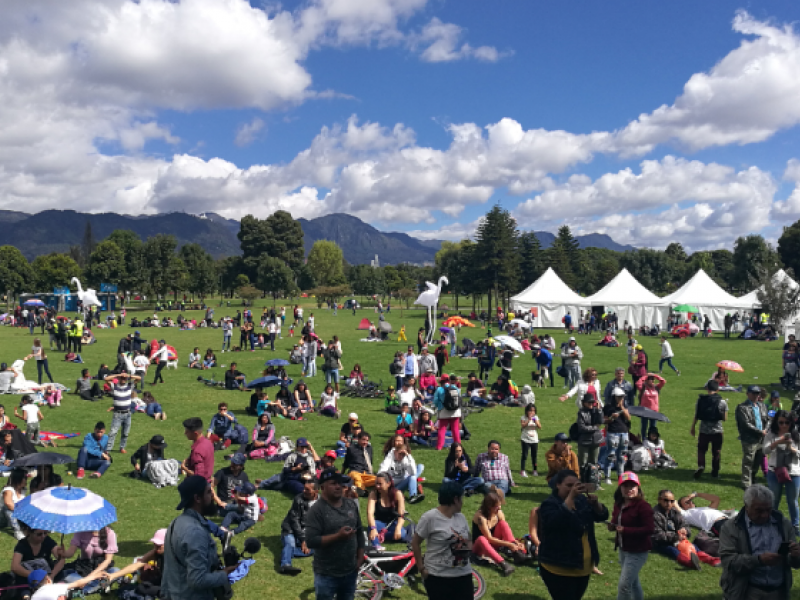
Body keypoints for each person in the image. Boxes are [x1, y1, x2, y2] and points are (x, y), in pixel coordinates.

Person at [719, 484, 800, 600]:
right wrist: (758, 560)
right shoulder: (731, 527)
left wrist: (795, 556)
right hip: (747, 592)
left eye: (768, 510)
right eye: (759, 511)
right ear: (747, 507)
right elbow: (729, 562)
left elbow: (795, 563)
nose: (765, 515)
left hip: (778, 592)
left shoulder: (783, 524)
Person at [161, 476, 236, 600]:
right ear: (197, 498)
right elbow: (197, 580)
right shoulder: (195, 532)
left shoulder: (176, 522)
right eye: (208, 492)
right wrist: (224, 574)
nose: (213, 496)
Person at [538, 469, 609, 600]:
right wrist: (570, 497)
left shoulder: (581, 500)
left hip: (583, 567)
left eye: (575, 486)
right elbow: (556, 521)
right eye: (569, 486)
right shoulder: (549, 504)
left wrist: (596, 505)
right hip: (558, 567)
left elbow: (602, 516)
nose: (573, 490)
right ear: (558, 485)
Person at [305, 468, 366, 600]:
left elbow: (360, 532)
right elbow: (311, 541)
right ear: (322, 487)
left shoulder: (351, 504)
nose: (338, 486)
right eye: (333, 483)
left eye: (340, 483)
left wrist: (360, 557)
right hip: (326, 574)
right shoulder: (316, 511)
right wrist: (338, 536)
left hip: (350, 571)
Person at [412, 480, 473, 600]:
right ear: (455, 499)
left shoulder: (461, 517)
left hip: (463, 575)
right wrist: (421, 568)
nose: (462, 502)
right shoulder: (430, 518)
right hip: (438, 577)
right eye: (461, 498)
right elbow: (415, 543)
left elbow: (469, 540)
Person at [608, 472, 654, 600]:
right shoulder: (619, 504)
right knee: (633, 582)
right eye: (625, 486)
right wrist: (612, 526)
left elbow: (649, 529)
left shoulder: (643, 507)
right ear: (620, 488)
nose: (629, 489)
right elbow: (615, 519)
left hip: (638, 551)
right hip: (624, 549)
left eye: (632, 486)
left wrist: (625, 530)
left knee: (624, 585)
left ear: (638, 488)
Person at [652, 488, 720, 569]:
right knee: (672, 550)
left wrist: (684, 530)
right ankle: (689, 563)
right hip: (660, 543)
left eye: (672, 501)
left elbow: (684, 524)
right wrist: (676, 537)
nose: (669, 503)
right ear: (659, 500)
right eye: (666, 500)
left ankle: (711, 560)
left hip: (676, 538)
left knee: (693, 546)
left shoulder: (674, 511)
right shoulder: (654, 514)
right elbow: (657, 535)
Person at [763, 410, 800, 534]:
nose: (784, 425)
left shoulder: (797, 435)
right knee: (774, 499)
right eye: (781, 422)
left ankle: (795, 526)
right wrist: (778, 442)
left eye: (787, 423)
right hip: (775, 471)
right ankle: (772, 523)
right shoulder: (771, 434)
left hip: (793, 472)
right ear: (776, 422)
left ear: (791, 423)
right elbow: (765, 451)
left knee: (793, 500)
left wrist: (791, 448)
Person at [471, 489, 523, 576]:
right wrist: (508, 544)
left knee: (503, 524)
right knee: (482, 538)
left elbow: (505, 530)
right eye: (496, 506)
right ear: (489, 507)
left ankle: (517, 553)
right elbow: (489, 539)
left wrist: (514, 542)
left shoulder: (499, 513)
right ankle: (503, 564)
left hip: (494, 544)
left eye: (499, 505)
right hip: (480, 547)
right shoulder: (480, 517)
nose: (499, 508)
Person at [57, 526, 120, 593]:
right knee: (69, 575)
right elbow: (71, 552)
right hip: (84, 568)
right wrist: (64, 553)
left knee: (116, 571)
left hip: (101, 568)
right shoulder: (81, 531)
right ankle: (102, 585)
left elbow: (108, 560)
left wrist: (89, 577)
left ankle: (86, 587)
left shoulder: (109, 533)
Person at [279, 471, 317, 575]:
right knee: (289, 543)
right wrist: (303, 539)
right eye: (304, 488)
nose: (303, 491)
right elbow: (294, 520)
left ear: (316, 491)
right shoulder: (298, 499)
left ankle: (287, 552)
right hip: (290, 529)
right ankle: (285, 565)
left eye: (307, 490)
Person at [691, 380, 729, 480]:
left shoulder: (700, 400)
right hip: (717, 431)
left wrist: (693, 427)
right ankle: (715, 472)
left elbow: (697, 415)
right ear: (718, 389)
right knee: (716, 452)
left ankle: (701, 465)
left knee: (701, 450)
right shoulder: (722, 402)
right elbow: (725, 419)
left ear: (707, 388)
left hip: (704, 430)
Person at [737, 385, 769, 489]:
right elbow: (746, 424)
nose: (756, 395)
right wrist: (760, 432)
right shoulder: (742, 407)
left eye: (758, 393)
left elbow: (768, 419)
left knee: (758, 459)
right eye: (754, 393)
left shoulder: (762, 406)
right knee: (748, 460)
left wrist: (766, 430)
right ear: (748, 394)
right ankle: (746, 482)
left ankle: (753, 477)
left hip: (761, 438)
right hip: (749, 438)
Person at [367, 472, 409, 548]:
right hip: (379, 523)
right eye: (376, 483)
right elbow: (370, 513)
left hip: (393, 523)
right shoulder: (374, 494)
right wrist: (373, 528)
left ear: (388, 484)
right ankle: (376, 545)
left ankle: (378, 535)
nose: (377, 486)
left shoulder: (397, 494)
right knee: (371, 526)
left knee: (402, 534)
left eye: (380, 484)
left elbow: (402, 515)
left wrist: (398, 528)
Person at [379, 434, 425, 504]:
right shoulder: (390, 457)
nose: (401, 456)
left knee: (414, 475)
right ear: (395, 452)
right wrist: (382, 483)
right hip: (392, 486)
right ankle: (415, 486)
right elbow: (383, 468)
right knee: (412, 477)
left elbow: (413, 473)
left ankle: (413, 496)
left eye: (403, 454)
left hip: (402, 483)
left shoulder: (405, 458)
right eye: (400, 454)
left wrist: (408, 456)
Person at [105, 372, 140, 454]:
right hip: (118, 414)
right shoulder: (115, 386)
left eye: (125, 378)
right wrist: (118, 375)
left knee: (125, 433)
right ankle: (108, 449)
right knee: (113, 432)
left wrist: (129, 376)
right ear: (119, 379)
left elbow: (139, 378)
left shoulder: (129, 386)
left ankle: (122, 447)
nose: (123, 379)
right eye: (122, 378)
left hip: (127, 414)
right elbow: (106, 379)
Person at [603, 388, 631, 485]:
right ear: (614, 397)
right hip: (613, 433)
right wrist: (611, 418)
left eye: (622, 397)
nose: (621, 398)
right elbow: (604, 420)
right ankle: (607, 476)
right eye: (619, 397)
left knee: (622, 456)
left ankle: (621, 476)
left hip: (624, 433)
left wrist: (622, 408)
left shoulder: (625, 406)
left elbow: (628, 418)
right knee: (610, 455)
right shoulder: (608, 407)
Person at [432, 374, 462, 450]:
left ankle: (439, 446)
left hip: (443, 411)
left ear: (441, 381)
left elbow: (435, 401)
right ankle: (458, 445)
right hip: (455, 411)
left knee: (442, 429)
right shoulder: (455, 388)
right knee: (455, 429)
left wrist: (438, 406)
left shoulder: (439, 389)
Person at [576, 393, 603, 468]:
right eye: (589, 402)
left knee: (594, 462)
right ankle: (583, 478)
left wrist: (599, 410)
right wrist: (595, 427)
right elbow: (582, 427)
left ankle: (593, 478)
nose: (591, 404)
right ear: (584, 403)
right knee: (583, 463)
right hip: (584, 440)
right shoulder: (581, 413)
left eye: (592, 402)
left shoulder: (596, 411)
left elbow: (601, 421)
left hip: (595, 440)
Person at [635, 373, 665, 439]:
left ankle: (651, 440)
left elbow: (663, 381)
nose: (651, 380)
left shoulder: (656, 387)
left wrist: (655, 375)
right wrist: (645, 376)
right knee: (644, 426)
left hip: (654, 410)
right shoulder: (643, 387)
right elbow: (637, 383)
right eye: (649, 379)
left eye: (652, 379)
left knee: (653, 427)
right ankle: (644, 439)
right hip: (644, 410)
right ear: (646, 380)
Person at [1, 468, 26, 540]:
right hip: (2, 518)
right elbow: (8, 504)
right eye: (24, 477)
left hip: (13, 518)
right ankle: (17, 531)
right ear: (18, 479)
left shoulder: (23, 490)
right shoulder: (8, 490)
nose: (26, 479)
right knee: (7, 508)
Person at [520, 404, 540, 477]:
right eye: (530, 410)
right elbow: (523, 425)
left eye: (534, 411)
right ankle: (522, 470)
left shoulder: (536, 418)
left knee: (534, 456)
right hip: (525, 439)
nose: (532, 412)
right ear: (527, 411)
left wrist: (536, 422)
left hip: (534, 439)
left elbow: (540, 427)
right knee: (524, 455)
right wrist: (528, 420)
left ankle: (535, 470)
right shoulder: (523, 417)